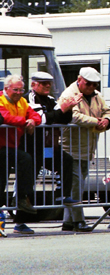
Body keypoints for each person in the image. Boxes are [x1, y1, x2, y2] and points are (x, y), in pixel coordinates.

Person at [59, 67, 110, 233]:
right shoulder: (69, 94)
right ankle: (78, 220)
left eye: (94, 84)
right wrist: (96, 121)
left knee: (79, 183)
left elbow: (107, 111)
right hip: (70, 147)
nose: (91, 87)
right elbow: (74, 116)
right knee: (76, 183)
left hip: (88, 147)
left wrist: (106, 120)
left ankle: (67, 222)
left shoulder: (97, 95)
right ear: (79, 79)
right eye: (88, 84)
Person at [24, 72, 80, 210]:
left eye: (49, 83)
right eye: (43, 83)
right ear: (33, 84)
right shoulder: (29, 98)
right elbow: (42, 119)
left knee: (65, 160)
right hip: (31, 147)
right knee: (28, 180)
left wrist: (68, 109)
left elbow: (62, 119)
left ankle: (62, 195)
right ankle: (20, 219)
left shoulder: (50, 99)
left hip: (48, 145)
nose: (48, 85)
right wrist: (61, 110)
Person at [0, 75, 42, 234]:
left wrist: (32, 121)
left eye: (21, 90)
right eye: (15, 90)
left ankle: (21, 200)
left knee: (26, 161)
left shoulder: (22, 102)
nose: (19, 93)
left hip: (11, 147)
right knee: (1, 182)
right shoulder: (1, 100)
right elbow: (5, 117)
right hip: (1, 147)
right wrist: (24, 122)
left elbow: (35, 115)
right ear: (6, 89)